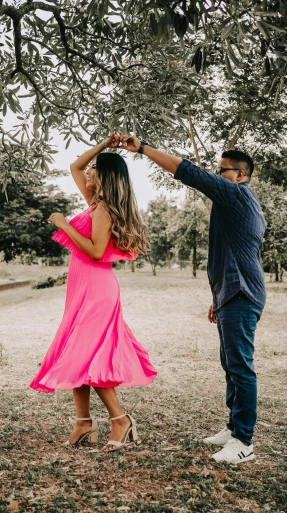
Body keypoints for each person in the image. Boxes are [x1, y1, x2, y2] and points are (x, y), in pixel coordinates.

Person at [117, 135, 265, 464]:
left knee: (241, 367)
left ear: (240, 175)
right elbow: (239, 253)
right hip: (234, 292)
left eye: (222, 171)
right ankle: (233, 426)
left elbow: (188, 172)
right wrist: (220, 295)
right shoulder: (241, 204)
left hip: (241, 293)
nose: (217, 175)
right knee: (231, 364)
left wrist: (142, 149)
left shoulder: (237, 194)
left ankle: (244, 440)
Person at [30, 134, 157, 452]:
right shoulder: (95, 203)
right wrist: (105, 145)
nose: (88, 172)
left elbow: (97, 252)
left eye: (95, 169)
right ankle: (83, 423)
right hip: (82, 289)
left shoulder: (103, 211)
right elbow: (75, 165)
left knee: (90, 356)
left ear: (105, 176)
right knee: (77, 354)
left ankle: (120, 420)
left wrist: (63, 224)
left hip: (97, 291)